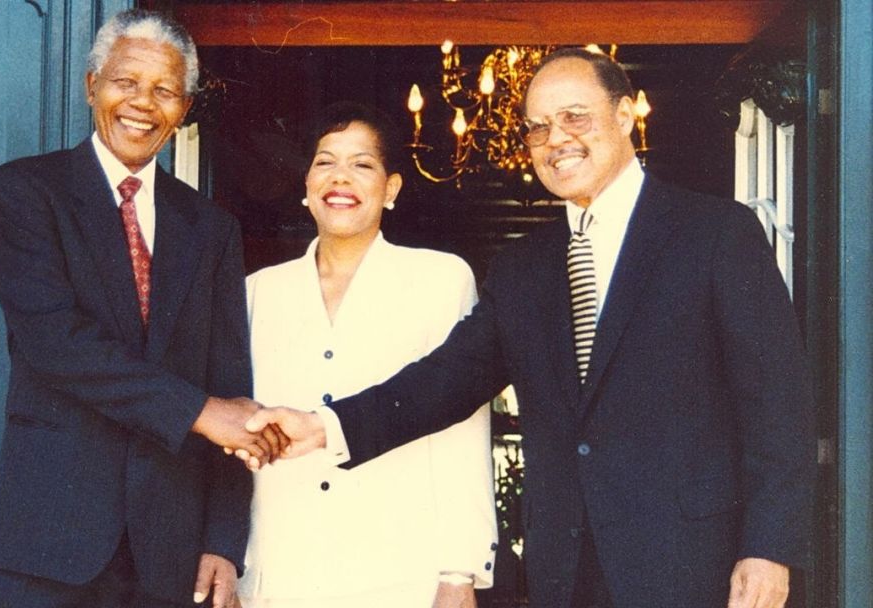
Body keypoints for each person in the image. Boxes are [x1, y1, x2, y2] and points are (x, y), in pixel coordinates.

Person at [246, 48, 815, 608]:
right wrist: (324, 426)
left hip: (692, 564)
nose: (555, 140)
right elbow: (444, 381)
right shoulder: (524, 267)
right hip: (564, 573)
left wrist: (769, 548)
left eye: (575, 117)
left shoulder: (714, 233)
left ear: (625, 115)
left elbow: (777, 405)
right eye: (537, 128)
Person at [0, 9, 279, 608]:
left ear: (185, 108)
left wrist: (223, 539)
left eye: (165, 90)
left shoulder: (211, 228)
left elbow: (229, 383)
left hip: (169, 554)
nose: (144, 103)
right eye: (126, 82)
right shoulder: (26, 191)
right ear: (92, 86)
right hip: (48, 543)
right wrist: (199, 412)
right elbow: (56, 345)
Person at [236, 102, 497, 608]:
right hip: (280, 571)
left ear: (391, 188)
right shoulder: (257, 292)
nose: (341, 178)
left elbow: (461, 429)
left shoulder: (440, 280)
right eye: (325, 161)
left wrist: (459, 573)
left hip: (400, 574)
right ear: (306, 186)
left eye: (362, 164)